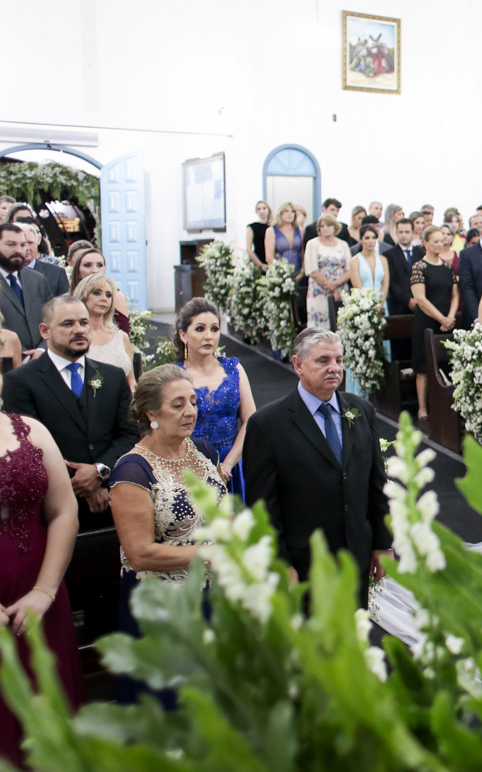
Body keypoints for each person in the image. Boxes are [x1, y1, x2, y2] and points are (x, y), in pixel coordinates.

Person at [244, 329, 392, 606]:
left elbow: (376, 482)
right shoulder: (268, 425)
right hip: (304, 563)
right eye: (323, 360)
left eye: (338, 360)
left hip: (356, 555)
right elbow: (262, 507)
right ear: (298, 364)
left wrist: (382, 543)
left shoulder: (361, 411)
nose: (334, 368)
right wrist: (280, 564)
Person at [109, 365, 227, 703]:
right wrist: (208, 554)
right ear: (151, 413)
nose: (190, 411)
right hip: (163, 602)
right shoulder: (132, 470)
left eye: (192, 401)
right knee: (173, 703)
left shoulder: (203, 451)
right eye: (177, 404)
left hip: (212, 594)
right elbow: (139, 553)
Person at [0, 373, 84, 766]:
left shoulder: (30, 431)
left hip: (39, 594)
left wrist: (45, 590)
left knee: (46, 704)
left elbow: (64, 509)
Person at [2, 295, 139, 532]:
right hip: (50, 510)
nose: (79, 330)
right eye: (68, 324)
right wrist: (80, 484)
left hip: (111, 502)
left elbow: (129, 434)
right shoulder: (20, 381)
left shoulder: (113, 377)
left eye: (83, 323)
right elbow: (26, 447)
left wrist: (99, 473)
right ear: (45, 331)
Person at [175, 298, 256, 500]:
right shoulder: (175, 375)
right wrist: (200, 468)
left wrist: (228, 464)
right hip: (189, 466)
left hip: (233, 463)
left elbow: (251, 420)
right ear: (183, 335)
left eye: (214, 329)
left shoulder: (234, 369)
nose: (208, 336)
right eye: (200, 329)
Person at [410, 226, 459, 423]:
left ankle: (446, 405)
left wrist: (451, 316)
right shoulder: (419, 267)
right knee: (423, 368)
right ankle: (422, 408)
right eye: (436, 241)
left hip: (448, 320)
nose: (440, 244)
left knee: (447, 364)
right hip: (427, 322)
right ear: (425, 244)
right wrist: (442, 318)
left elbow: (455, 295)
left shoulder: (448, 268)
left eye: (442, 240)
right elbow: (420, 299)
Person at [75, 273, 135, 391]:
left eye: (108, 295)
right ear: (83, 296)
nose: (104, 298)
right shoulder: (74, 337)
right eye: (97, 293)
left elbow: (131, 380)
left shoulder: (121, 337)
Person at [0, 223, 54, 353]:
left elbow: (53, 318)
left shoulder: (38, 279)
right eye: (11, 244)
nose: (18, 250)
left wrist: (41, 349)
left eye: (23, 245)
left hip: (40, 360)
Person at [304, 214, 352, 330]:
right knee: (320, 330)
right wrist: (332, 287)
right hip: (319, 291)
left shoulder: (343, 244)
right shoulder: (312, 244)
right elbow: (312, 270)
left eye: (328, 225)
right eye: (322, 226)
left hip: (341, 290)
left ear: (335, 227)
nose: (325, 228)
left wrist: (336, 284)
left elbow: (349, 269)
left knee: (341, 326)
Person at [70, 249, 131, 331]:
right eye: (87, 265)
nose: (95, 270)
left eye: (100, 265)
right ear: (77, 270)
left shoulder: (116, 296)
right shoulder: (67, 298)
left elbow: (124, 334)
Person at [246, 200, 273, 270]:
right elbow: (249, 249)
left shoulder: (273, 227)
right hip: (258, 260)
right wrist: (260, 264)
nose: (262, 211)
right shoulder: (252, 227)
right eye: (259, 209)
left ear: (268, 210)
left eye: (264, 208)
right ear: (256, 212)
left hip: (272, 261)